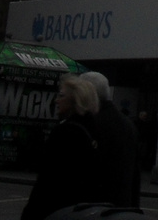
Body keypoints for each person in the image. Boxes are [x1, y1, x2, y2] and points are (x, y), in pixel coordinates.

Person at [21, 74, 103, 220]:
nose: (56, 100)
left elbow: (48, 180)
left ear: (75, 100)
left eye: (61, 96)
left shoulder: (65, 131)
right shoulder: (96, 129)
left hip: (57, 209)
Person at [82, 71, 141, 207]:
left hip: (94, 206)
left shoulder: (91, 123)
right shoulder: (128, 124)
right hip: (122, 205)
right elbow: (135, 175)